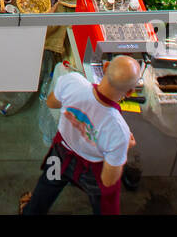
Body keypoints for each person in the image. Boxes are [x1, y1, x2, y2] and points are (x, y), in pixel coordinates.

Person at [20, 55, 139, 216]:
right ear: (130, 92)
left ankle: (31, 212)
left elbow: (51, 103)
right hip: (92, 172)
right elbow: (108, 180)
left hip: (60, 155)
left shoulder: (73, 82)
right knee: (104, 201)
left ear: (105, 67)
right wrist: (124, 148)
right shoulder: (119, 132)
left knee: (48, 184)